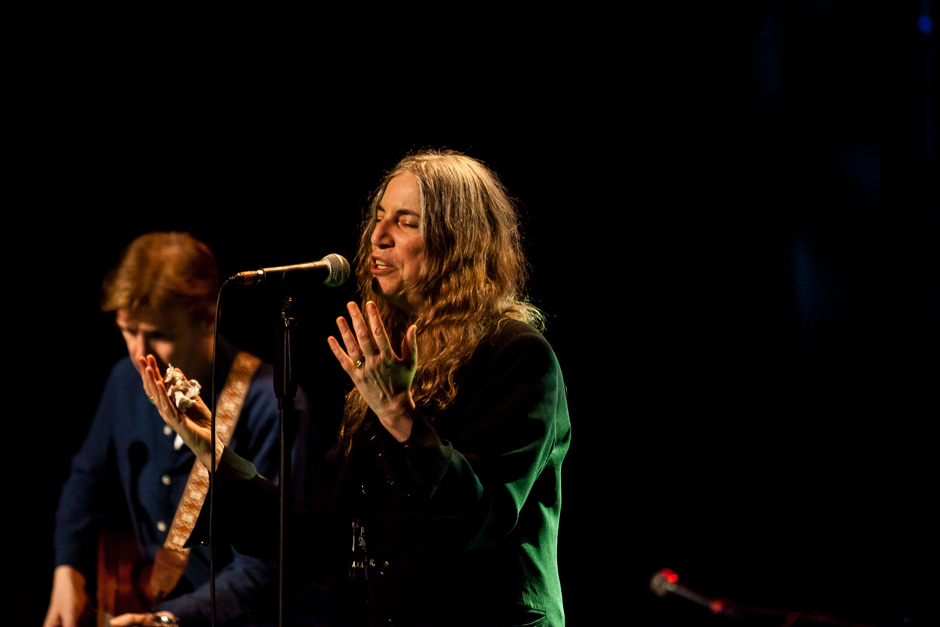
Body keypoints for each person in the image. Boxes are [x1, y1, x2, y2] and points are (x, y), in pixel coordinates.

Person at [140, 150, 570, 626]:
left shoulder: (515, 356)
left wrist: (400, 417)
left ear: (458, 243)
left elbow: (480, 518)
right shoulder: (388, 363)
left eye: (406, 222)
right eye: (379, 217)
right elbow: (322, 535)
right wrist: (214, 453)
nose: (377, 237)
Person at [45, 232, 313, 627]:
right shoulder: (124, 381)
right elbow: (86, 480)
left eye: (158, 335)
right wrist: (67, 569)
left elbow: (270, 567)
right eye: (127, 331)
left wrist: (171, 619)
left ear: (208, 317)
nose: (138, 353)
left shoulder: (272, 404)